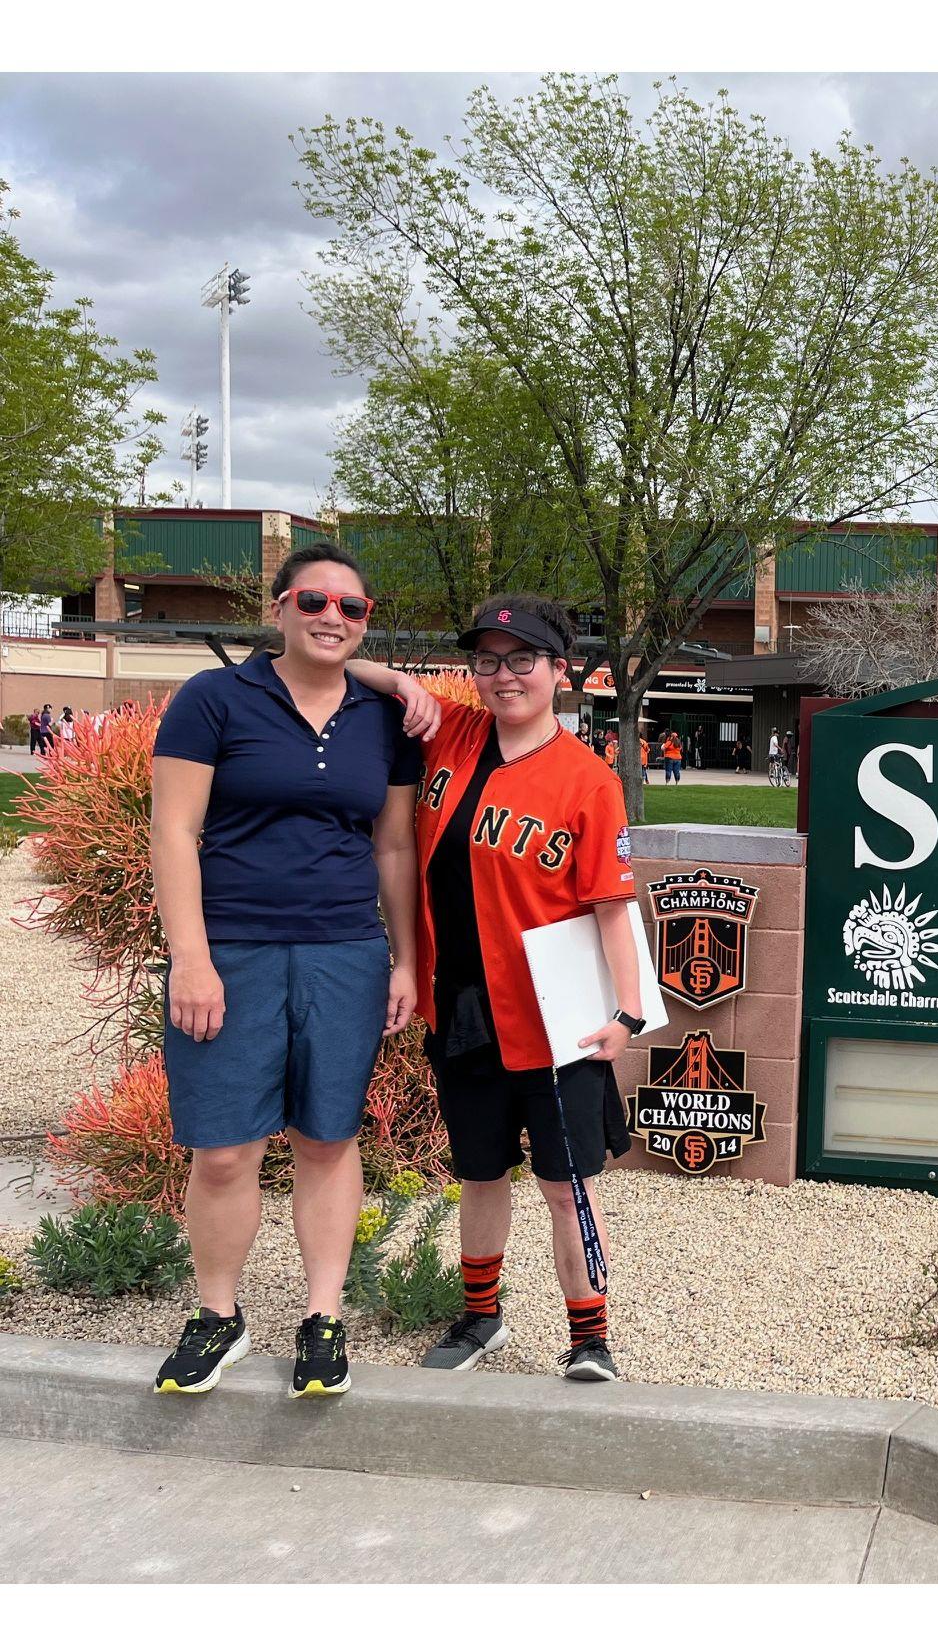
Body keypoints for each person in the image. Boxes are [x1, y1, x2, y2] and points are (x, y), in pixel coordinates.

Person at [149, 544, 435, 1398]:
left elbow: (393, 845)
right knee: (226, 1151)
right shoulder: (213, 700)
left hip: (344, 953)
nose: (332, 618)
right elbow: (174, 834)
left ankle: (322, 1318)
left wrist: (406, 959)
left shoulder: (383, 721)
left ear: (366, 621)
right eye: (314, 599)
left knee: (327, 1137)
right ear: (278, 607)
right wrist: (190, 960)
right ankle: (217, 1316)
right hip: (230, 955)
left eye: (353, 608)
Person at [348, 596, 640, 1382]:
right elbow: (342, 664)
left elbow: (613, 908)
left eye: (522, 660)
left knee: (564, 1182)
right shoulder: (454, 730)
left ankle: (590, 1338)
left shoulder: (587, 780)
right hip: (462, 1008)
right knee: (479, 1173)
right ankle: (481, 1318)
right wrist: (406, 687)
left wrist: (629, 1011)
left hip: (554, 1018)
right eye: (488, 659)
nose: (504, 675)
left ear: (558, 671)